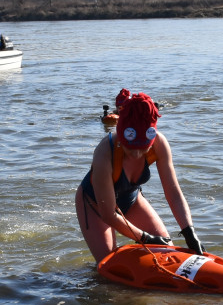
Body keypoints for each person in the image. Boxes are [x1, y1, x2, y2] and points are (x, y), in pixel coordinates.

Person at [76, 89, 205, 263]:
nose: (137, 155)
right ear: (122, 137)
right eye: (131, 149)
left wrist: (189, 232)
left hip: (131, 200)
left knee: (166, 251)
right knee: (109, 265)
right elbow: (108, 214)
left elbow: (173, 193)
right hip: (95, 206)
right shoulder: (104, 153)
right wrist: (144, 238)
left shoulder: (159, 143)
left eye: (143, 149)